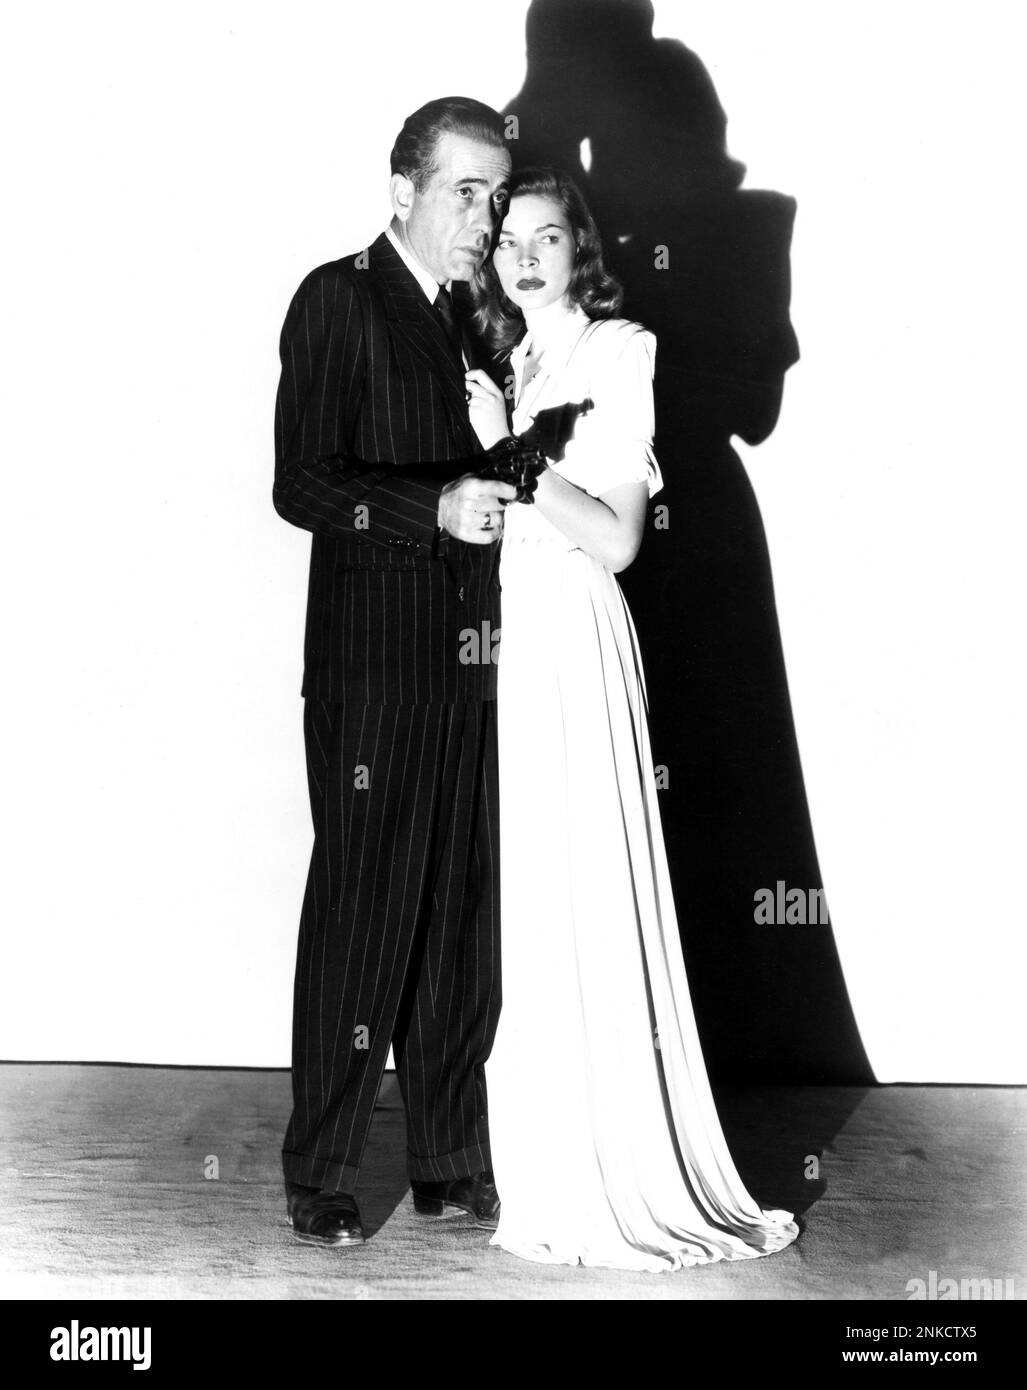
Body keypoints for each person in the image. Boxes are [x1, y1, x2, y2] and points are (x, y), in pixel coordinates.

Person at [463, 167, 800, 1271]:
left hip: (576, 632)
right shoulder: (509, 361)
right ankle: (552, 1164)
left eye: (546, 238)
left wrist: (511, 453)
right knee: (538, 895)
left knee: (589, 883)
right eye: (507, 240)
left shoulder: (617, 350)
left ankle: (622, 1176)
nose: (524, 258)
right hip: (520, 640)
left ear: (581, 250)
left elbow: (613, 540)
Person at [273, 96, 533, 1247]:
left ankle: (445, 1159)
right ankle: (322, 1170)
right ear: (402, 191)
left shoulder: (483, 320)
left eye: (497, 194)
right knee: (365, 911)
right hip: (374, 668)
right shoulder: (337, 297)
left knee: (459, 911)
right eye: (463, 191)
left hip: (477, 661)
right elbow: (300, 481)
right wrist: (432, 506)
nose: (485, 216)